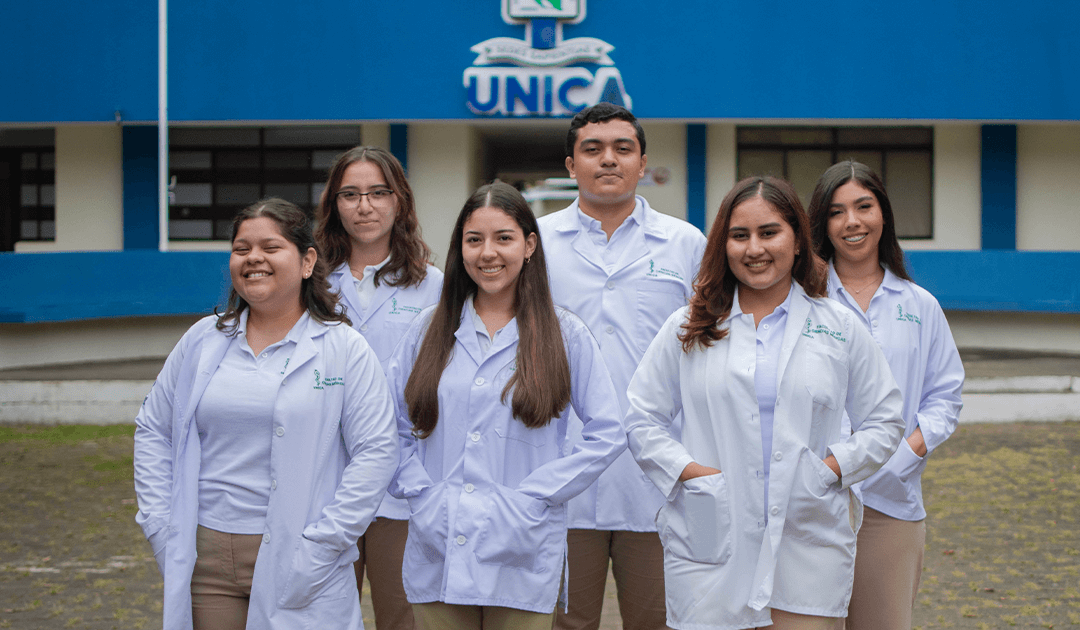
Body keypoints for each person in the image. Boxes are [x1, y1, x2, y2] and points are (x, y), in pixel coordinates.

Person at [624, 176, 905, 630]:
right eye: (740, 236)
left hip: (807, 536)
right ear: (724, 245)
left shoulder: (838, 326)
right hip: (712, 538)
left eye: (769, 232)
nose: (754, 248)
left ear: (797, 240)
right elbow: (641, 417)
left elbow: (885, 419)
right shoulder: (689, 326)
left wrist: (830, 470)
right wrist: (691, 474)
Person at [134, 199, 399, 630]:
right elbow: (153, 430)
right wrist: (160, 525)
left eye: (270, 247)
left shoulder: (342, 349)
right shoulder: (204, 339)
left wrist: (324, 544)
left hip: (301, 551)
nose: (253, 258)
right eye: (242, 249)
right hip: (207, 557)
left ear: (307, 260)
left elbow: (377, 453)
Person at [386, 182, 627, 630]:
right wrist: (419, 491)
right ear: (460, 248)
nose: (487, 253)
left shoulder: (565, 333)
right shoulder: (428, 331)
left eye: (504, 238)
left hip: (521, 545)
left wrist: (537, 495)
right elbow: (390, 425)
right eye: (474, 240)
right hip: (439, 543)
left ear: (530, 245)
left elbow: (608, 432)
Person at [537, 102, 707, 630]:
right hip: (562, 473)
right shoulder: (535, 243)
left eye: (622, 149)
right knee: (566, 622)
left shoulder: (685, 243)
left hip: (656, 478)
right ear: (570, 165)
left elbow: (709, 347)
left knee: (657, 620)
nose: (607, 160)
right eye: (592, 149)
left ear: (642, 162)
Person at [807, 161, 964, 630]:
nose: (852, 222)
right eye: (837, 212)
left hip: (890, 503)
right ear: (822, 224)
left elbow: (945, 396)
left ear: (884, 215)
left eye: (863, 206)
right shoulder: (800, 302)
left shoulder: (920, 305)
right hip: (812, 501)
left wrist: (909, 449)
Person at [316, 146, 443, 630]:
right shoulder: (309, 285)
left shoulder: (434, 287)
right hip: (323, 480)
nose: (364, 206)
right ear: (334, 205)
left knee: (403, 616)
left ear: (399, 202)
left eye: (377, 193)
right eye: (349, 195)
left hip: (401, 484)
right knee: (323, 614)